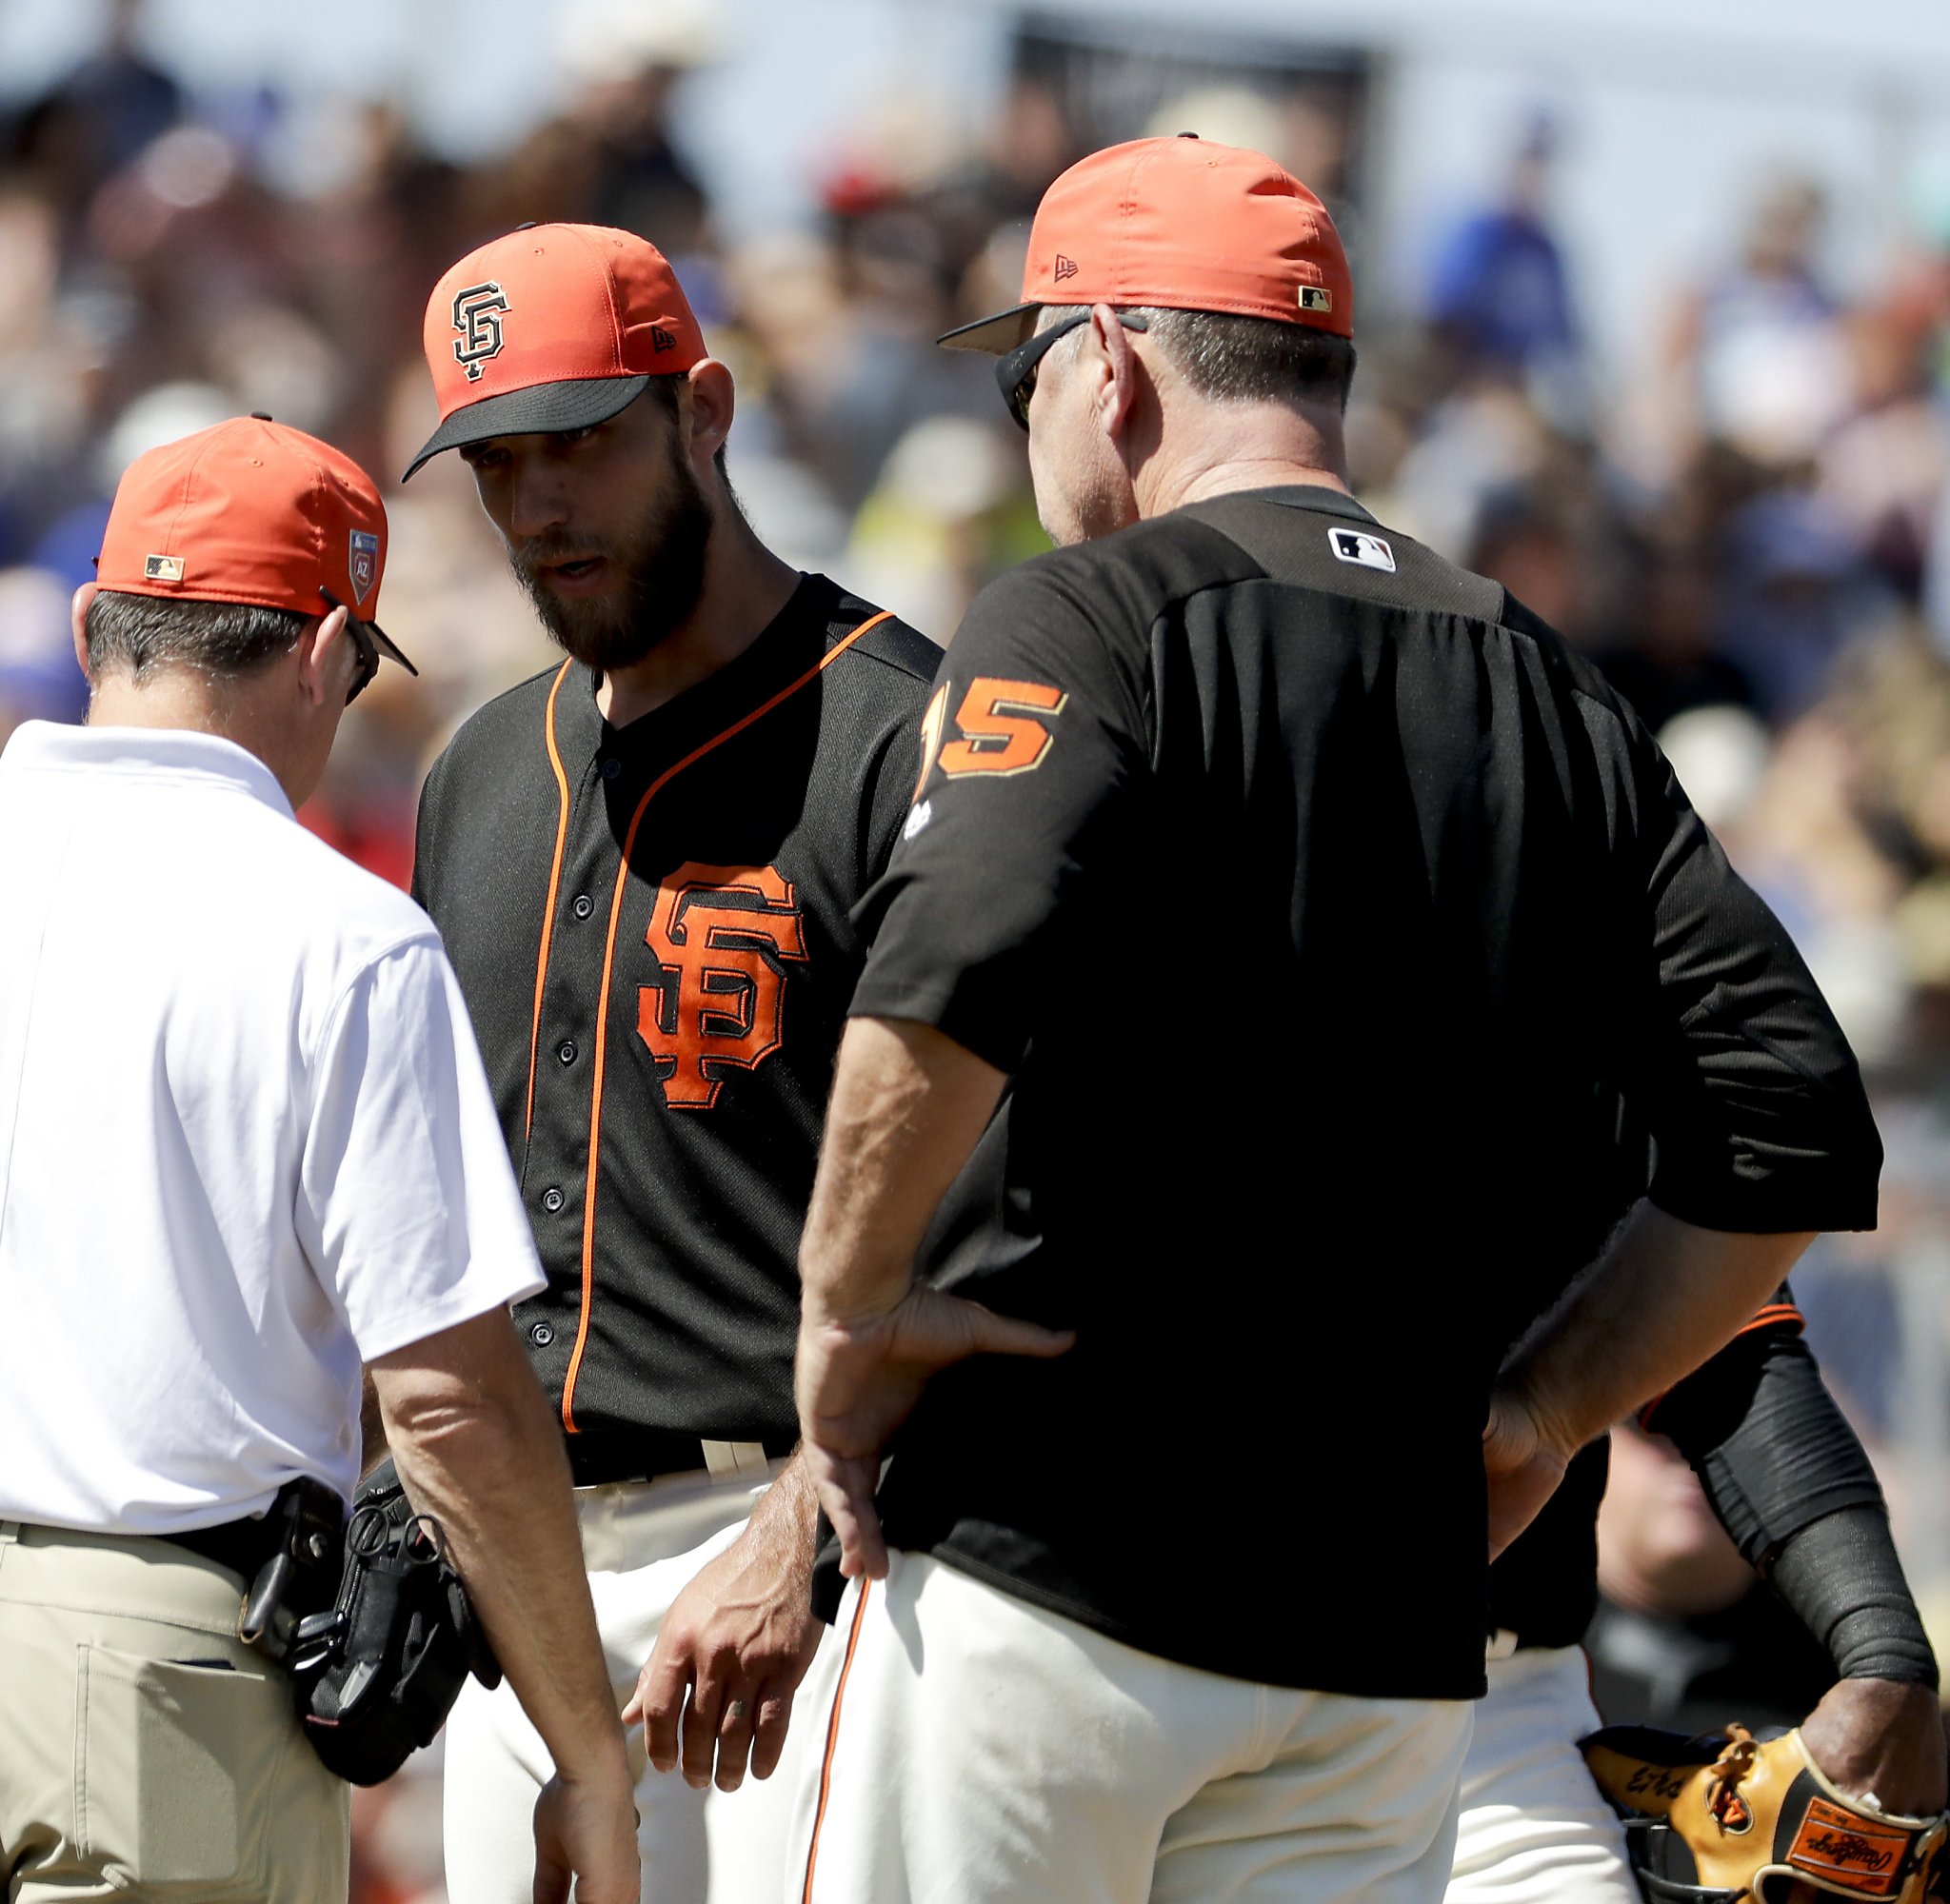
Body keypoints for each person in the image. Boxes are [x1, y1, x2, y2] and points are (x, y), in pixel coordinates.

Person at [786, 134, 1885, 1903]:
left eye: (1026, 370)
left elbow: (947, 973)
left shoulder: (1090, 611)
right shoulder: (1548, 681)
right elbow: (1789, 1120)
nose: (1027, 415)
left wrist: (842, 1323)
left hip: (1058, 1570)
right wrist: (1537, 1414)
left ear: (1116, 363)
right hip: (1378, 1651)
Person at [0, 417, 637, 1904]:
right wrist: (588, 1760)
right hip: (140, 1673)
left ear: (96, 623)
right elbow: (448, 1399)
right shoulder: (334, 931)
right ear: (329, 649)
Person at [399, 223, 939, 1903]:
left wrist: (802, 1527)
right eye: (502, 460)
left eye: (584, 440)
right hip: (518, 1583)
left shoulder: (904, 739)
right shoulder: (482, 771)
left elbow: (996, 1221)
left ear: (702, 408)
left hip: (801, 1558)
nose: (541, 501)